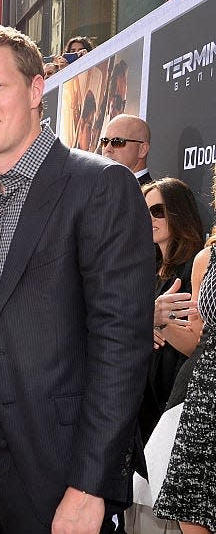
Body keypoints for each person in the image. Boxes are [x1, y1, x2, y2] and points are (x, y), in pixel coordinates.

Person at [0, 25, 154, 533]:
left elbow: (121, 348)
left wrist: (91, 486)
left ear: (36, 89)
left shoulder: (101, 186)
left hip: (60, 458)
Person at [153, 176, 216, 533]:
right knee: (191, 518)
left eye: (158, 211)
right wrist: (154, 319)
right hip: (203, 398)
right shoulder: (207, 258)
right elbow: (197, 341)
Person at [101, 114, 152, 185]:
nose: (107, 148)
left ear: (142, 150)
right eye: (105, 141)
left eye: (117, 142)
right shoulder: (98, 188)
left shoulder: (151, 195)